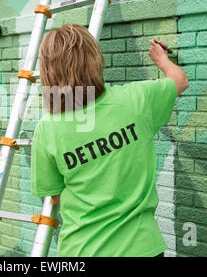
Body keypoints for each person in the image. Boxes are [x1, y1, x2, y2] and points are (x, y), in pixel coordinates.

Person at [30, 24, 189, 257]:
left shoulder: (47, 129)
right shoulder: (137, 99)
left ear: (47, 70)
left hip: (83, 250)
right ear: (95, 58)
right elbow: (180, 80)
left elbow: (55, 194)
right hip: (142, 248)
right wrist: (161, 58)